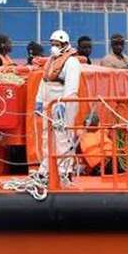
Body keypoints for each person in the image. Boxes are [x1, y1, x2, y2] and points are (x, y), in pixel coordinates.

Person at [35, 30, 82, 180]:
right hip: (48, 102)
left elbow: (72, 86)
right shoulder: (51, 61)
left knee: (62, 136)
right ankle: (46, 167)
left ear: (65, 45)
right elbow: (45, 82)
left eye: (57, 44)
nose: (54, 47)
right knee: (46, 135)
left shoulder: (71, 62)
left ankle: (64, 169)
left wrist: (63, 104)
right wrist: (39, 101)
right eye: (53, 44)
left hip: (62, 102)